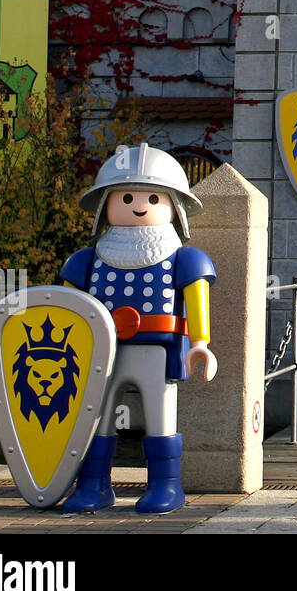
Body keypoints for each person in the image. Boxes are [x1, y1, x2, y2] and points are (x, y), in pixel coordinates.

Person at [59, 143, 216, 514]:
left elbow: (196, 298)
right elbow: (67, 308)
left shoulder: (183, 258)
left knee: (160, 418)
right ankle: (93, 485)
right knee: (96, 417)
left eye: (153, 198)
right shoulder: (87, 261)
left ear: (174, 206)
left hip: (157, 351)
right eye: (126, 197)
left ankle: (166, 485)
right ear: (106, 204)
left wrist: (200, 343)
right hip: (101, 350)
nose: (139, 205)